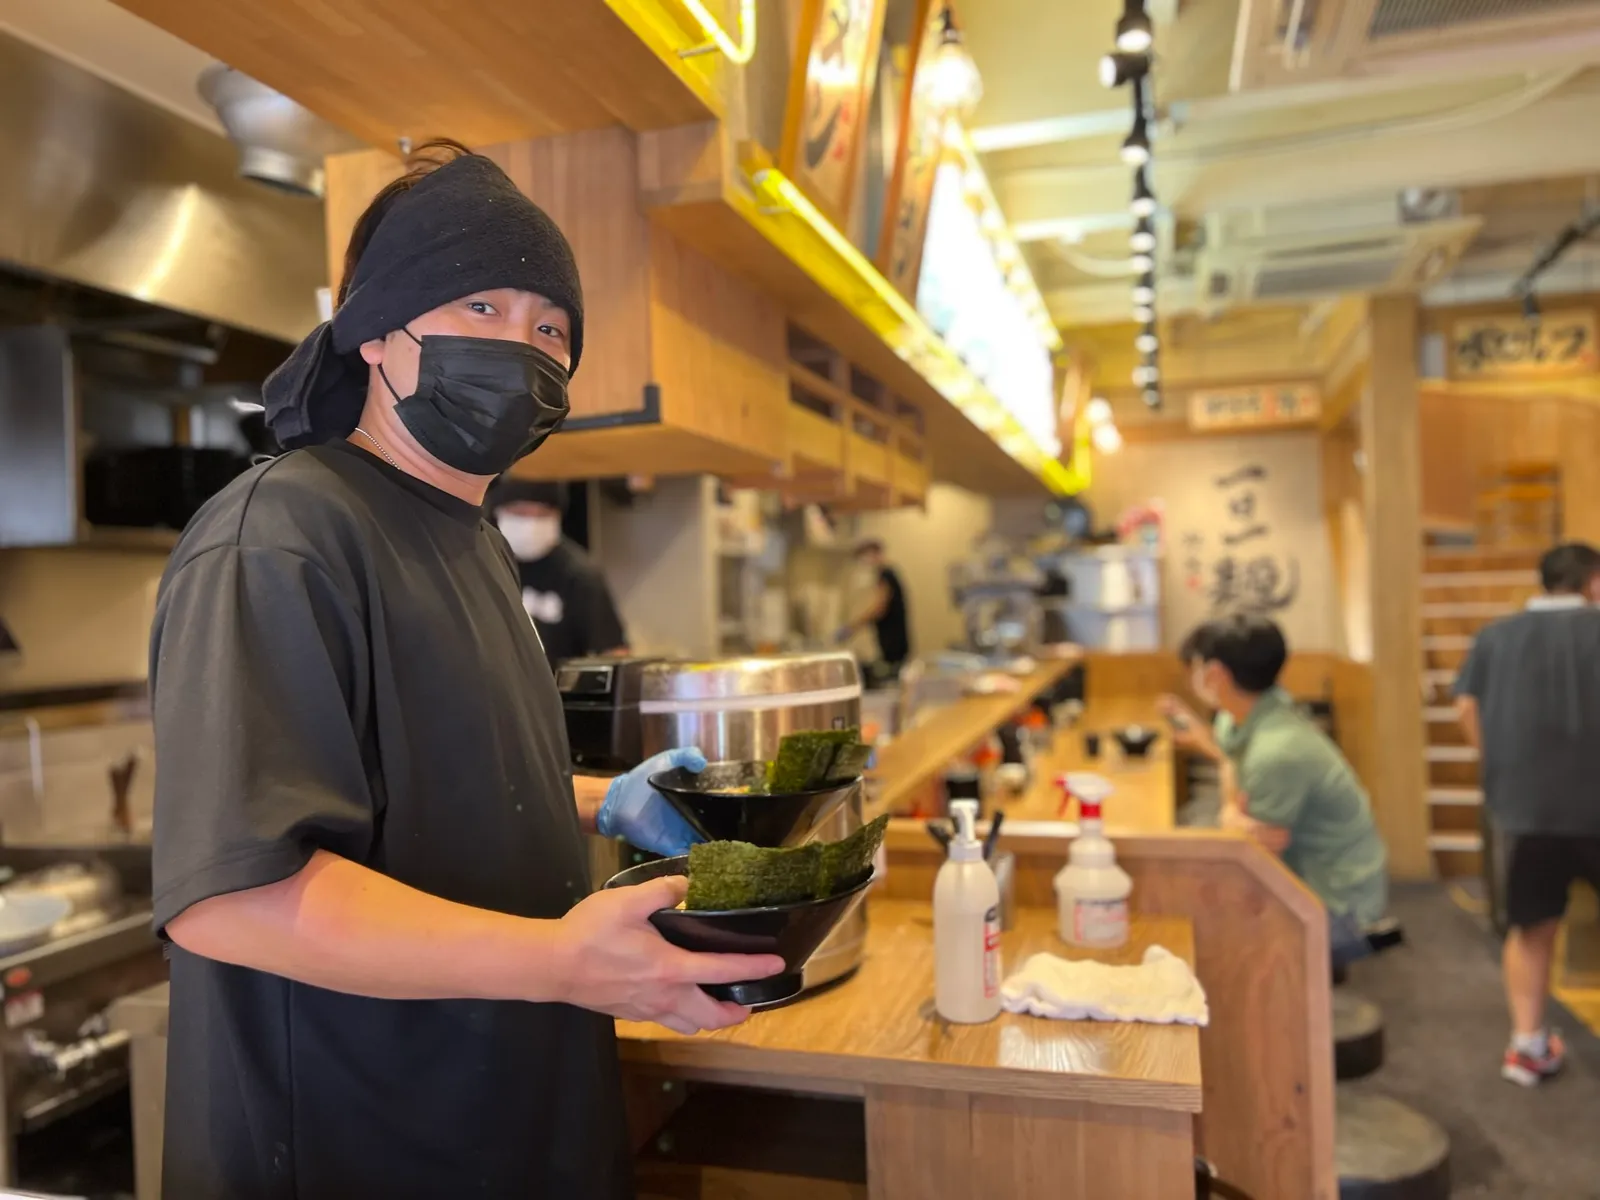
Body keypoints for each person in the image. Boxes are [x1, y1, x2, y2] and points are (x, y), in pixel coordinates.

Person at [147, 142, 782, 1200]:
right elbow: (234, 895)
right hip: (362, 1142)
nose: (521, 347)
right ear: (378, 333)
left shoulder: (469, 540)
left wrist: (601, 805)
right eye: (480, 307)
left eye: (549, 328)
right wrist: (560, 962)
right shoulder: (280, 537)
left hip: (506, 1118)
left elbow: (427, 777)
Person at [1161, 614, 1388, 967]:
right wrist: (1231, 811)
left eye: (1194, 668)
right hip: (1313, 876)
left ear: (1215, 675)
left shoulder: (1278, 750)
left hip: (1340, 905)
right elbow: (1230, 761)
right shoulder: (1246, 713)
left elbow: (1256, 856)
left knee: (1189, 920)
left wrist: (1230, 816)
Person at [1454, 541, 1600, 1088]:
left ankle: (1527, 1046)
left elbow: (1466, 708)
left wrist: (1501, 765)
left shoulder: (1496, 637)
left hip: (1526, 807)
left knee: (1532, 926)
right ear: (1593, 582)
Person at [487, 476, 628, 664]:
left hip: (559, 690)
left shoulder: (580, 576)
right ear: (498, 512)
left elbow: (613, 655)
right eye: (520, 512)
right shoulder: (480, 563)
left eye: (542, 514)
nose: (530, 525)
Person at [839, 539, 911, 671]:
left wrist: (853, 627)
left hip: (893, 641)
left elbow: (879, 607)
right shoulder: (886, 574)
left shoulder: (886, 575)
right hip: (890, 639)